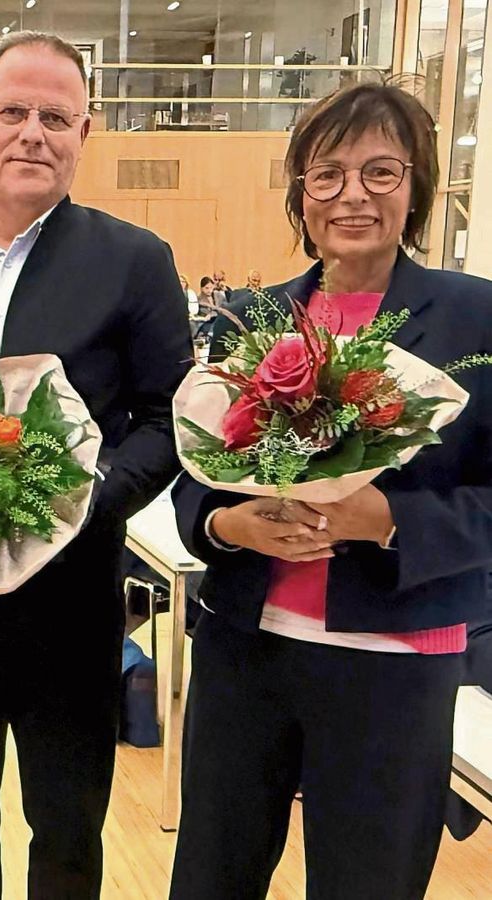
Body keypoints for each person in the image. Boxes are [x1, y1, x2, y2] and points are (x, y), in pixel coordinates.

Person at [0, 30, 191, 900]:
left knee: (67, 824)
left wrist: (87, 501)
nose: (32, 133)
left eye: (56, 117)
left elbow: (169, 417)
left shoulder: (136, 260)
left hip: (72, 603)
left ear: (84, 132)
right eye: (13, 111)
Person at [171, 82, 492, 900]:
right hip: (246, 648)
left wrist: (390, 519)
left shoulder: (475, 317)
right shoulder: (255, 319)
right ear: (301, 195)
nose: (353, 194)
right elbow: (196, 475)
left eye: (381, 172)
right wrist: (231, 526)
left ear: (416, 187)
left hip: (393, 661)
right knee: (211, 875)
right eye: (328, 175)